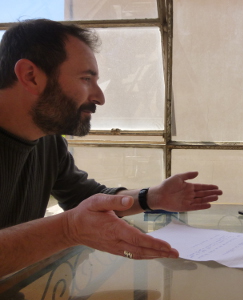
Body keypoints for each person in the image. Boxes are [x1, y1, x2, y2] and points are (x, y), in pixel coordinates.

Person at [0, 19, 222, 278]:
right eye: (86, 78)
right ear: (31, 76)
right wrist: (68, 229)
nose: (99, 97)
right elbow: (75, 220)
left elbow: (84, 197)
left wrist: (151, 197)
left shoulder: (48, 142)